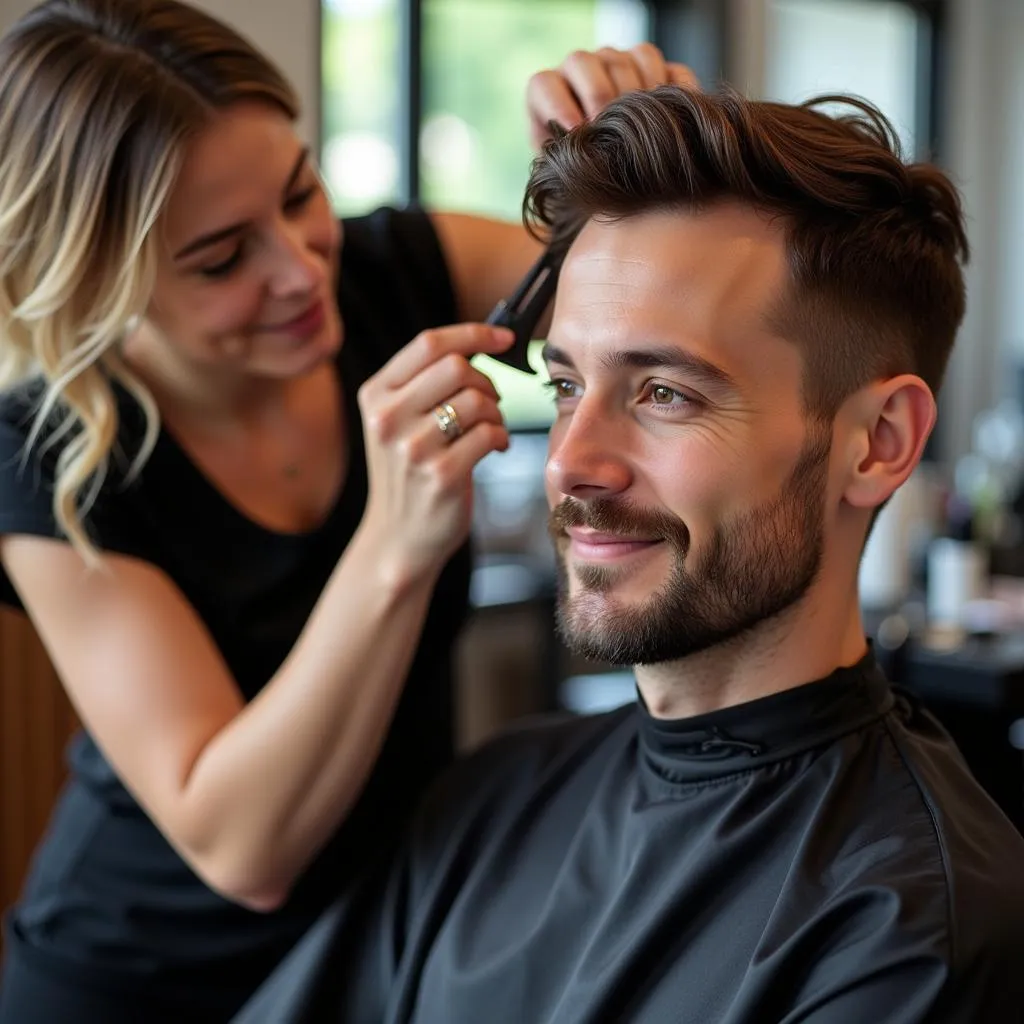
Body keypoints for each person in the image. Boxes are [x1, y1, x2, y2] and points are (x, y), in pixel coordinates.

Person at [235, 86, 1024, 1024]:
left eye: (664, 393)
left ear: (880, 441)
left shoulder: (911, 929)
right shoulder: (494, 800)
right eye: (566, 383)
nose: (570, 461)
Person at [0, 1, 698, 1021]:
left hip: (382, 950)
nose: (298, 269)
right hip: (137, 982)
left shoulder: (401, 269)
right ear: (100, 279)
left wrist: (626, 167)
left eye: (299, 194)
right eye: (221, 257)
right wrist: (392, 544)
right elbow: (244, 849)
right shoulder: (49, 455)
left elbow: (679, 300)